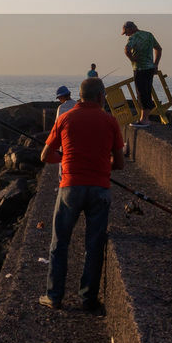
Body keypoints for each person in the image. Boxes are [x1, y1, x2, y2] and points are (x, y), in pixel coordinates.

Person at [39, 76, 124, 313]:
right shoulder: (110, 122)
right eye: (104, 96)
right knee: (94, 245)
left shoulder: (65, 118)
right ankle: (88, 299)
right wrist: (104, 164)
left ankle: (54, 296)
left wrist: (64, 159)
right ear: (100, 96)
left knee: (60, 243)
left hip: (70, 188)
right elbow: (120, 163)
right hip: (99, 189)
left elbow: (45, 156)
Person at [122, 20, 162, 126]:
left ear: (130, 28)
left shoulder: (134, 37)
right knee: (147, 92)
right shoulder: (148, 35)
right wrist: (155, 64)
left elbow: (126, 49)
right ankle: (145, 118)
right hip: (150, 69)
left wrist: (132, 59)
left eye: (126, 32)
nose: (126, 35)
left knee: (141, 93)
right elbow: (158, 48)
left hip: (139, 69)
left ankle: (144, 120)